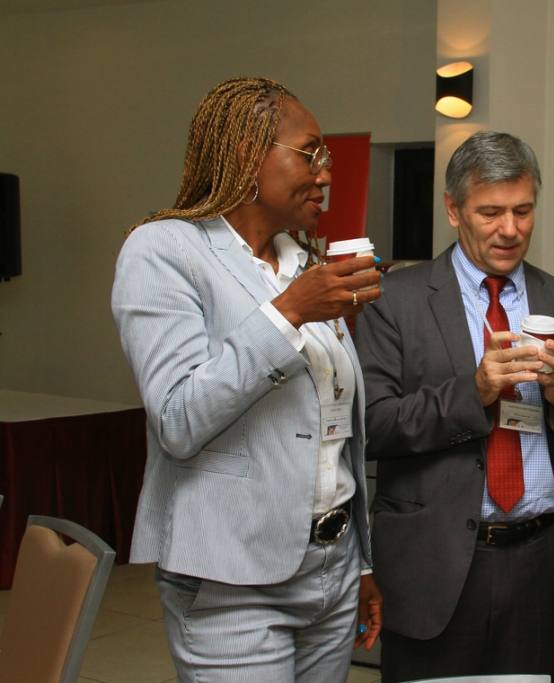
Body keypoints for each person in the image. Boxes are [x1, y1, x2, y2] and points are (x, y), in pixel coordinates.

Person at [111, 77, 383, 682]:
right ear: (246, 153)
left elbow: (333, 435)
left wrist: (360, 564)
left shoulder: (304, 264)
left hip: (332, 571)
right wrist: (288, 314)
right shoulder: (164, 251)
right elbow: (178, 419)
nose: (326, 173)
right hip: (231, 580)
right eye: (310, 154)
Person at [355, 130, 554, 681]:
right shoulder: (396, 300)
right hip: (433, 562)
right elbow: (373, 427)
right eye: (491, 212)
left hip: (538, 562)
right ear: (454, 210)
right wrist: (472, 392)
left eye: (523, 210)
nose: (510, 229)